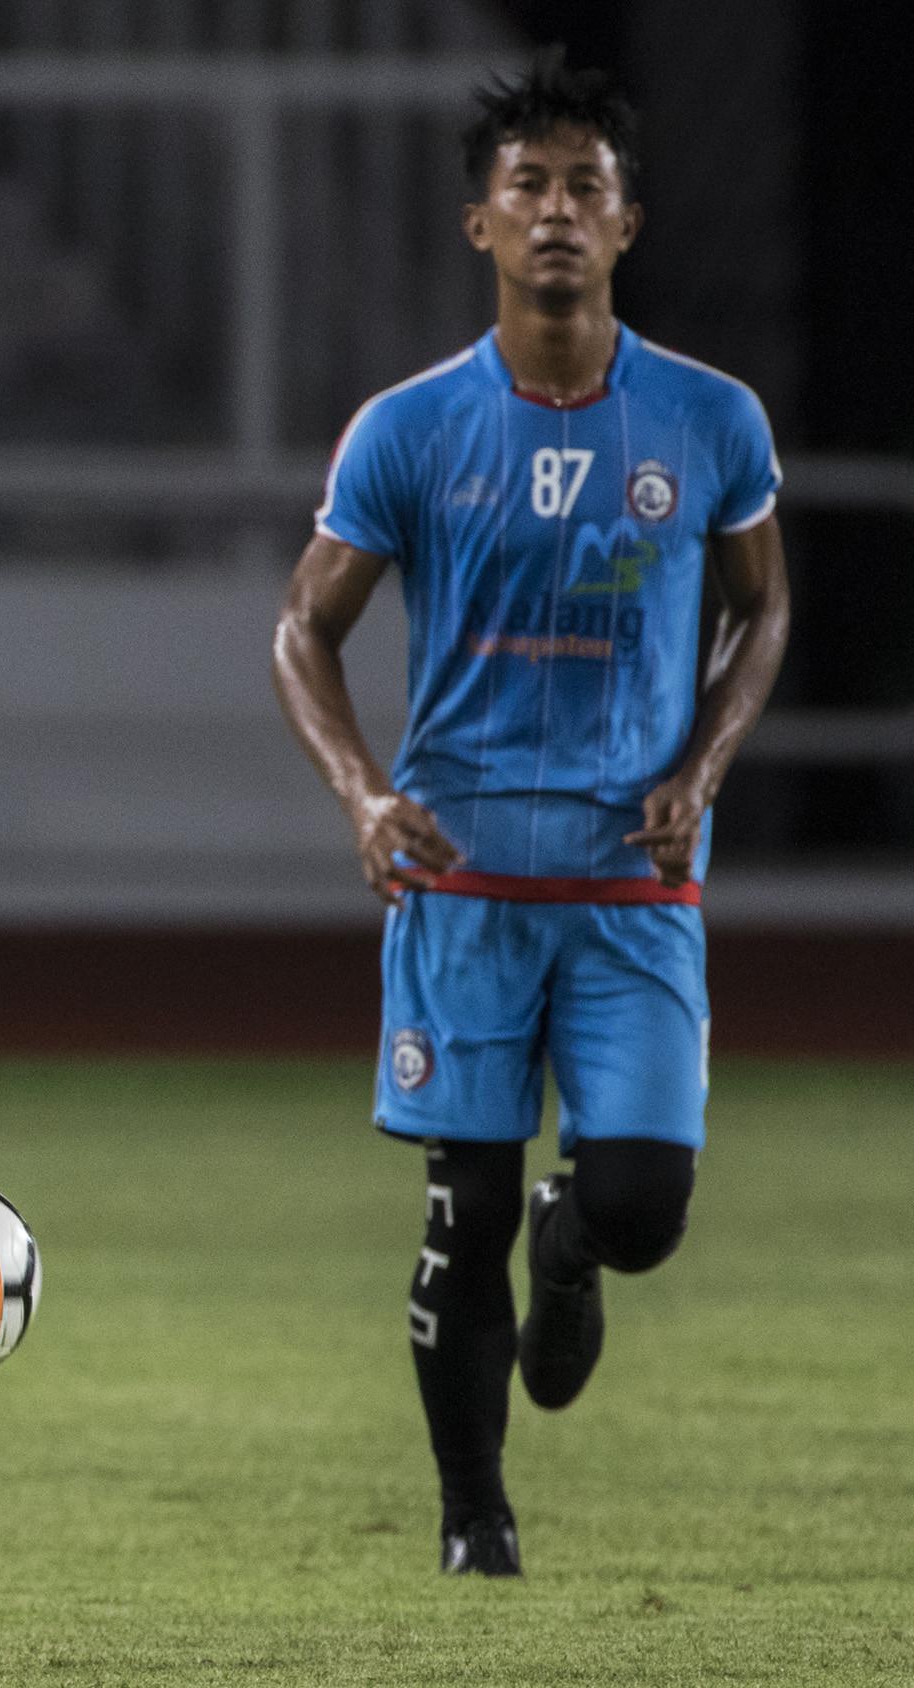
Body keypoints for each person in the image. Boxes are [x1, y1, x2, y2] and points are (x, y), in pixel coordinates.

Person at [272, 53, 790, 1577]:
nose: (557, 210)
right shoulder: (410, 429)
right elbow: (303, 627)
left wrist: (704, 764)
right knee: (463, 1210)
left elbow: (762, 609)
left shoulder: (709, 420)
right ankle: (474, 1520)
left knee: (643, 1207)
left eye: (586, 187)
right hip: (466, 880)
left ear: (628, 225)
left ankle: (581, 1246)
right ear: (480, 225)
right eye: (529, 186)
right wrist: (363, 793)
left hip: (634, 883)